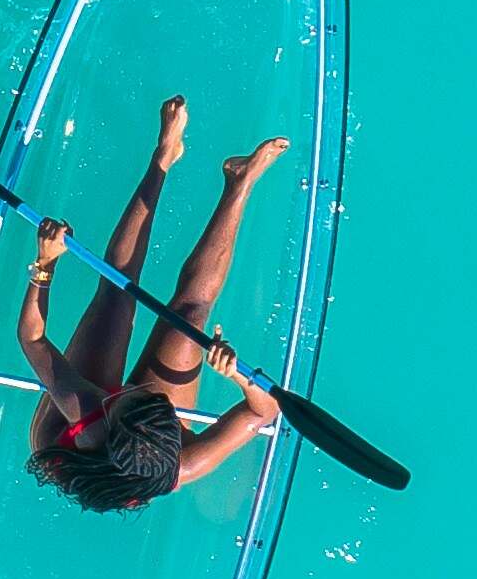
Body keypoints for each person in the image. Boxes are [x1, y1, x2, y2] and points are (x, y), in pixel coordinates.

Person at [18, 94, 286, 510]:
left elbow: (33, 340)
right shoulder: (184, 463)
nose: (131, 388)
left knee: (116, 292)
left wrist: (45, 264)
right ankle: (241, 181)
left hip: (75, 433)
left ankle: (163, 156)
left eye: (130, 395)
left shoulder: (85, 412)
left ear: (110, 414)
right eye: (150, 397)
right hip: (139, 439)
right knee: (191, 318)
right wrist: (237, 376)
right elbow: (262, 413)